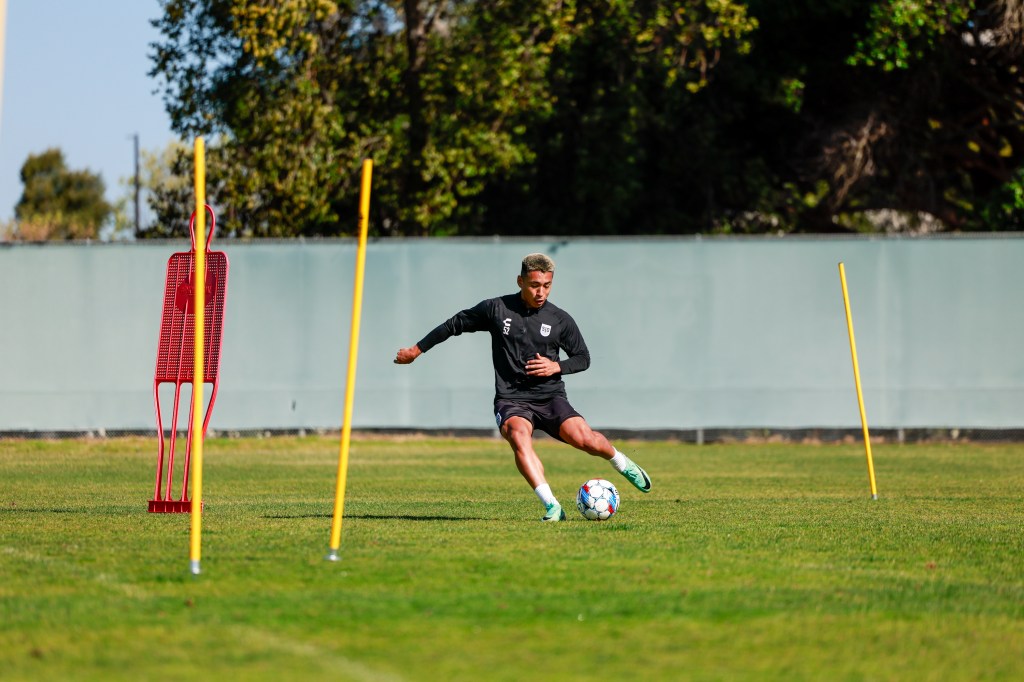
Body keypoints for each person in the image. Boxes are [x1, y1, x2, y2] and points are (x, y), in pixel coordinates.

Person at [394, 252, 652, 522]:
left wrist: (557, 367)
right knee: (518, 435)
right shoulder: (496, 309)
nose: (541, 292)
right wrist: (416, 350)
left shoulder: (560, 319)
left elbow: (583, 358)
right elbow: (453, 324)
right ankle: (552, 507)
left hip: (550, 397)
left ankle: (621, 462)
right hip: (511, 399)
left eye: (547, 286)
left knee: (585, 439)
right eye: (534, 285)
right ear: (520, 281)